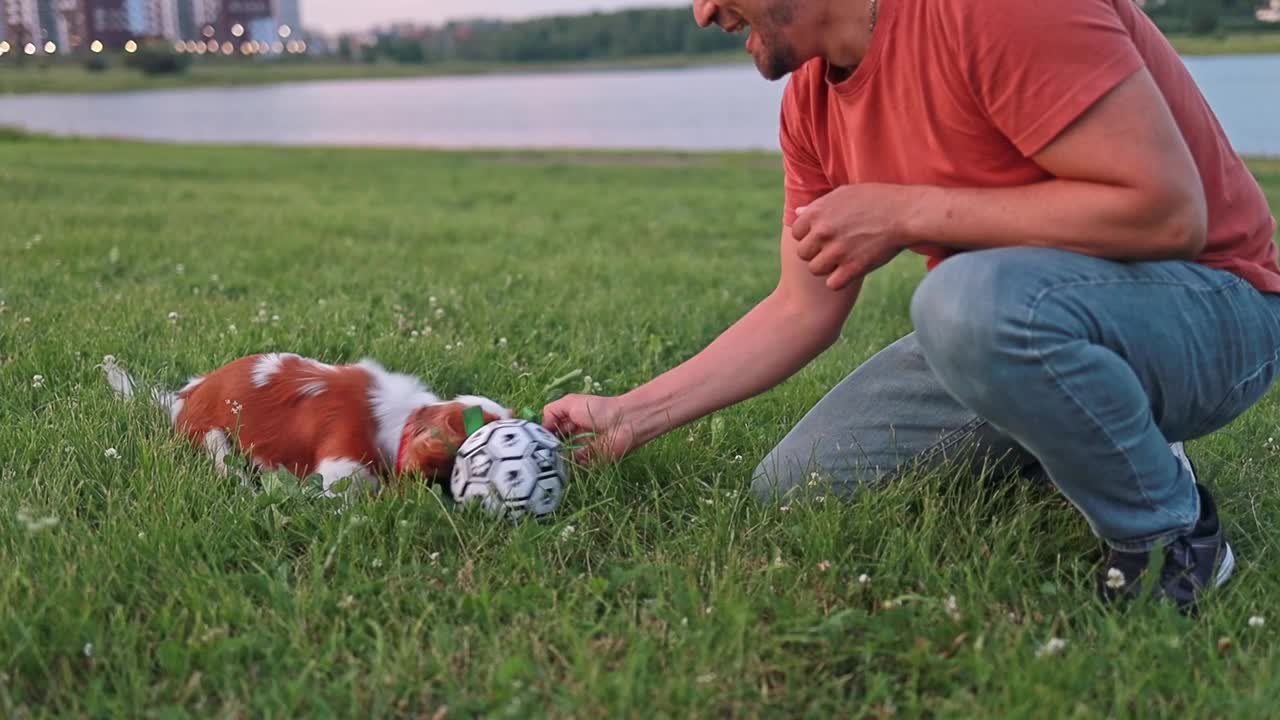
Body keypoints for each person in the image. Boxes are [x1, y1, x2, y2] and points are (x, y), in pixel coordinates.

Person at [542, 0, 1280, 612]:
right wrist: (629, 414)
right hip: (1020, 320)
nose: (703, 12)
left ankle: (1170, 531)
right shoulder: (811, 104)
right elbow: (801, 309)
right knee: (795, 485)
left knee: (958, 299)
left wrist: (904, 212)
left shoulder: (991, 10)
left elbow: (1166, 213)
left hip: (1217, 310)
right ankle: (1076, 435)